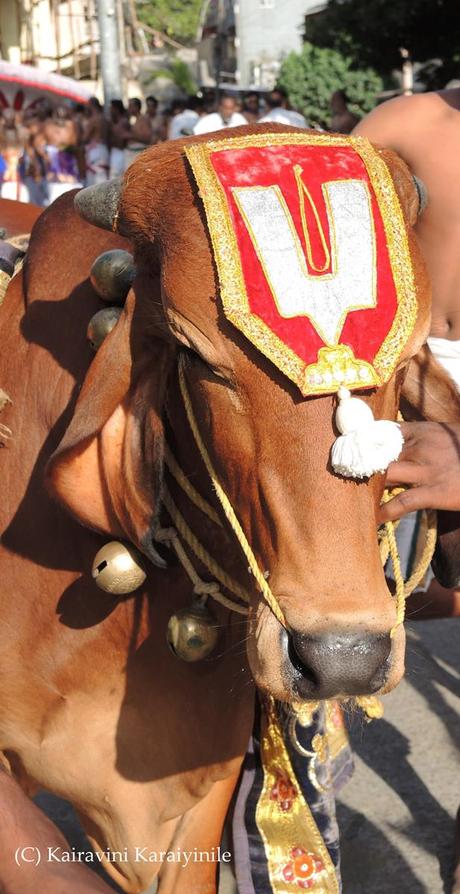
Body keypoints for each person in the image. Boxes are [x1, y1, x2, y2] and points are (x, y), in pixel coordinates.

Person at [43, 105, 82, 203]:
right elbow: (76, 143)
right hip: (61, 171)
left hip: (63, 170)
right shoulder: (70, 125)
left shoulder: (49, 126)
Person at [81, 96, 109, 185]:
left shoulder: (93, 119)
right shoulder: (104, 119)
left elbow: (85, 137)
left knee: (94, 182)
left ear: (92, 105)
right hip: (104, 150)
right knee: (102, 177)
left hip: (95, 151)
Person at [124, 98, 152, 167]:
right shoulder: (135, 119)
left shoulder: (143, 119)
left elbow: (147, 139)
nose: (128, 108)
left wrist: (131, 136)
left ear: (136, 107)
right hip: (133, 153)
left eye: (130, 106)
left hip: (138, 154)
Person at [108, 99, 128, 178]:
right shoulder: (113, 122)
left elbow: (122, 141)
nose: (110, 110)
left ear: (116, 109)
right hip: (115, 153)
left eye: (111, 108)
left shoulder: (123, 122)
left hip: (120, 153)